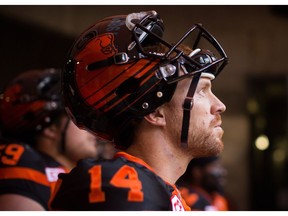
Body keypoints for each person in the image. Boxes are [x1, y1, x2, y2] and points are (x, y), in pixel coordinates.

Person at [49, 10, 228, 211]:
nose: (220, 105)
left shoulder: (163, 192)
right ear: (155, 112)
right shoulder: (122, 187)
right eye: (202, 91)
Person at [0, 68, 99, 210]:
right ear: (50, 129)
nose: (89, 126)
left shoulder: (75, 173)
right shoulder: (25, 164)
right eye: (76, 118)